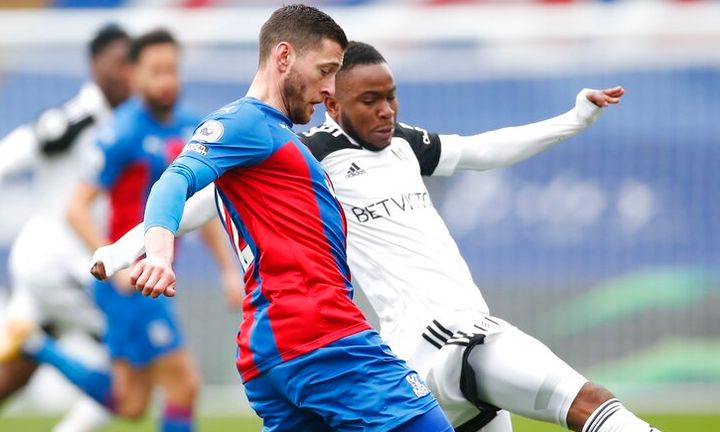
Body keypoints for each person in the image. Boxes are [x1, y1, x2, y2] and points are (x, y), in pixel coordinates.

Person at [96, 41, 661, 432]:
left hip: (420, 356)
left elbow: (482, 150)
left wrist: (574, 118)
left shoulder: (402, 145)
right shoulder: (308, 154)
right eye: (370, 100)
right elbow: (203, 199)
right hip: (446, 336)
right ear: (333, 103)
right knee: (588, 403)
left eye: (391, 95)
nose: (386, 109)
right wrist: (125, 249)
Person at [126, 5, 453, 432]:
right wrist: (158, 252)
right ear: (284, 57)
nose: (331, 87)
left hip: (275, 343)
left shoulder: (277, 139)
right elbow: (175, 178)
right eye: (326, 70)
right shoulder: (245, 121)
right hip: (317, 333)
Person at [20, 28, 241, 432]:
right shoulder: (122, 131)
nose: (166, 80)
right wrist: (114, 262)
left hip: (153, 276)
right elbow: (76, 208)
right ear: (134, 77)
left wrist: (227, 270)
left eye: (172, 70)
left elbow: (198, 205)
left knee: (131, 401)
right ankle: (34, 346)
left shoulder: (194, 126)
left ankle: (35, 346)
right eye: (155, 71)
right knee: (184, 385)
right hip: (133, 281)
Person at [0, 24, 132, 432]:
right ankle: (37, 345)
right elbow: (13, 153)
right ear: (96, 66)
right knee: (132, 363)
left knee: (13, 376)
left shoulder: (128, 123)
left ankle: (32, 344)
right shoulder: (74, 120)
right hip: (55, 262)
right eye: (121, 62)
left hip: (58, 265)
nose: (129, 73)